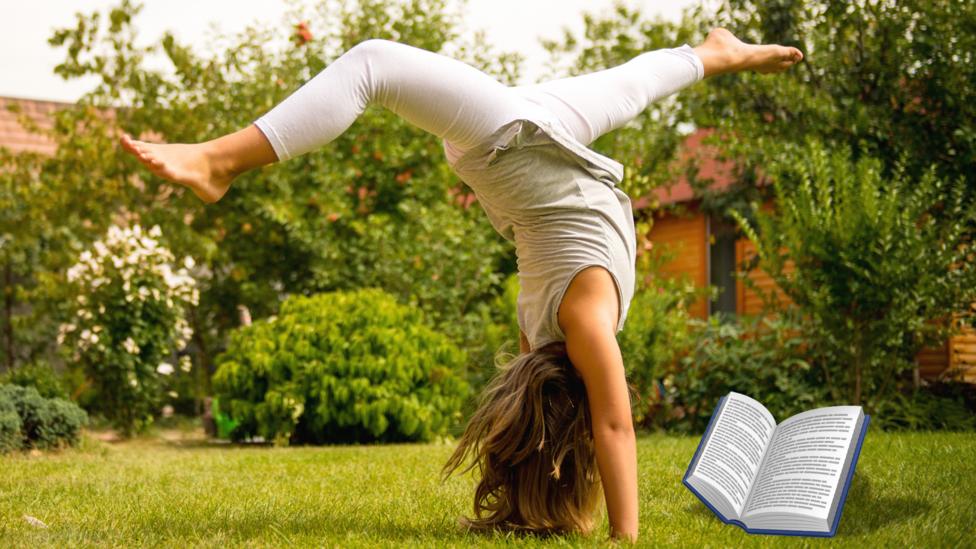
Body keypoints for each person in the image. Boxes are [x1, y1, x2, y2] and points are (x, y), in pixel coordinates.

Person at [119, 27, 802, 543]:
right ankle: (718, 51)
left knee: (374, 65)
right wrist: (616, 528)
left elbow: (613, 424)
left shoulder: (575, 325)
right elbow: (610, 424)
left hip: (525, 149)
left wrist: (620, 526)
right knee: (638, 80)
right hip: (548, 143)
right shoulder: (554, 327)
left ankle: (220, 162)